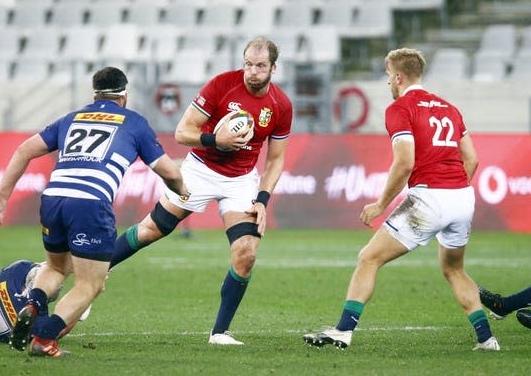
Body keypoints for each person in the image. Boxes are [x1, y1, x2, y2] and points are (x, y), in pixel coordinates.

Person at [0, 67, 189, 357]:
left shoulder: (72, 117)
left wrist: (2, 195)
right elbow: (167, 170)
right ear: (124, 95)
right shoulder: (133, 122)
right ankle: (44, 338)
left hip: (52, 198)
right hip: (90, 202)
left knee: (56, 267)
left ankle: (33, 303)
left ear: (95, 93)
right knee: (91, 283)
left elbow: (24, 149)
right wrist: (180, 188)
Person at [302, 48, 500, 351]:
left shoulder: (401, 108)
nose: (387, 83)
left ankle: (343, 330)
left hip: (428, 198)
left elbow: (404, 162)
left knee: (369, 258)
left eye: (387, 76)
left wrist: (380, 204)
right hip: (462, 197)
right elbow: (471, 159)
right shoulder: (449, 108)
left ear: (398, 76)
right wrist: (452, 191)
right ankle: (487, 339)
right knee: (455, 270)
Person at [109, 36, 293, 345]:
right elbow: (183, 132)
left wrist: (262, 201)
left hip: (241, 180)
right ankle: (99, 270)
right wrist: (215, 141)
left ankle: (219, 333)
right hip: (199, 171)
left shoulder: (281, 105)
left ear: (274, 68)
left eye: (260, 66)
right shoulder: (222, 85)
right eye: (248, 64)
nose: (252, 72)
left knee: (246, 253)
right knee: (151, 230)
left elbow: (276, 159)